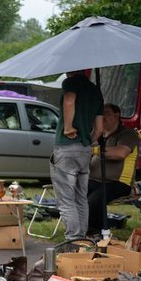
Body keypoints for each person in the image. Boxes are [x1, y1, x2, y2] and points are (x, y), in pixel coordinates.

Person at [51, 69, 103, 241]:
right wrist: (89, 139)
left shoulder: (71, 83)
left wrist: (67, 127)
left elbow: (69, 101)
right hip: (85, 150)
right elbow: (100, 129)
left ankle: (72, 240)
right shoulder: (95, 90)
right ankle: (82, 240)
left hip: (66, 148)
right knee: (81, 198)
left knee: (66, 200)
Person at [87, 103, 139, 235]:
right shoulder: (97, 134)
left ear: (117, 116)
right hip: (94, 180)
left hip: (118, 183)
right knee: (75, 194)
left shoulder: (127, 133)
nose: (102, 117)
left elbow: (120, 153)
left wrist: (93, 150)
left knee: (93, 201)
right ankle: (80, 229)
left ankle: (96, 233)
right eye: (100, 114)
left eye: (107, 114)